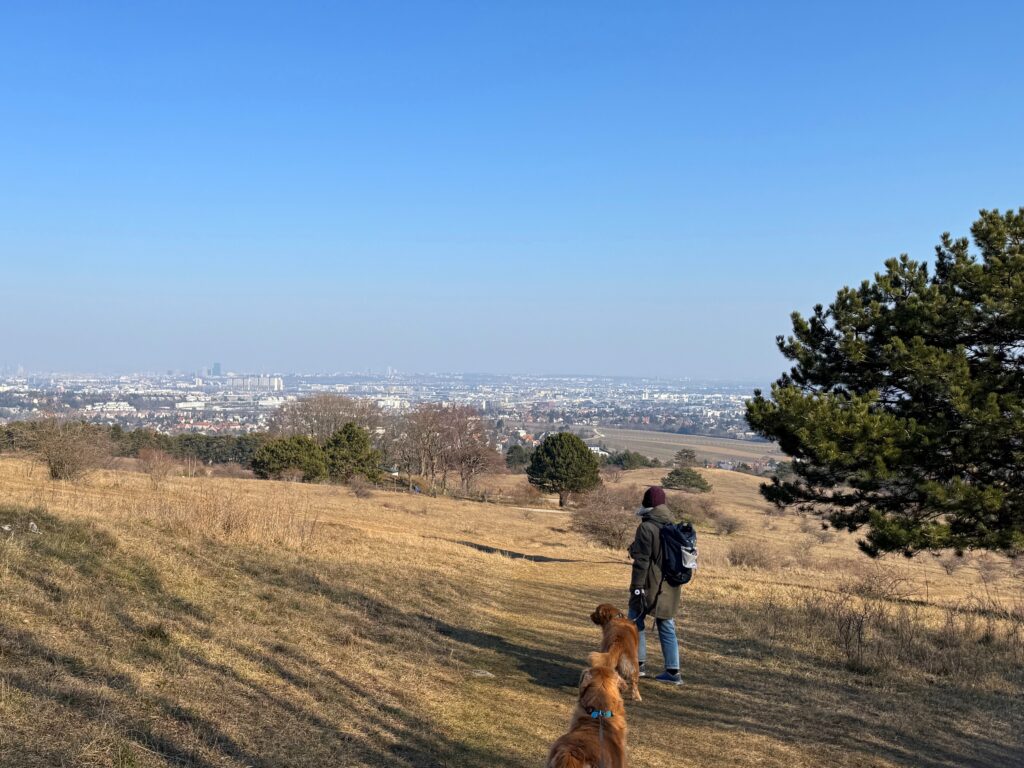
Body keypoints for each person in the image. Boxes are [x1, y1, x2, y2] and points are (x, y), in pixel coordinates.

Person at [627, 485, 682, 685]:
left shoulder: (646, 527)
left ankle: (638, 667)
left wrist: (636, 587)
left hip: (649, 582)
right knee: (666, 624)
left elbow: (641, 561)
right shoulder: (673, 524)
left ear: (647, 503)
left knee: (635, 621)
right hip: (671, 584)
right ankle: (673, 672)